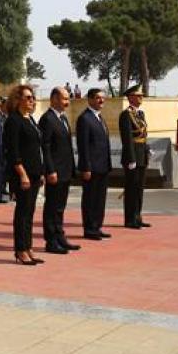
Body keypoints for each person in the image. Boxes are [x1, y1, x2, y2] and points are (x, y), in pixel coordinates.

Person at [4, 84, 44, 266]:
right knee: (22, 213)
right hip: (23, 174)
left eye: (32, 97)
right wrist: (22, 174)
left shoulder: (30, 120)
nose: (32, 100)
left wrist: (40, 172)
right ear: (17, 100)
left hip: (35, 173)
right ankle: (20, 250)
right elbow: (13, 151)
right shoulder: (14, 120)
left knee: (30, 212)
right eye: (28, 97)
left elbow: (35, 149)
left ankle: (28, 247)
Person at [39, 86, 78, 255]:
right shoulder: (47, 119)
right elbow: (45, 147)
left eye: (68, 99)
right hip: (55, 171)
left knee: (60, 207)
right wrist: (50, 170)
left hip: (65, 170)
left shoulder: (62, 118)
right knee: (52, 206)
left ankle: (60, 235)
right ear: (54, 99)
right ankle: (51, 240)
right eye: (64, 99)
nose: (67, 102)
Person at [75, 88, 111, 240]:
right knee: (90, 198)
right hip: (92, 167)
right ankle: (89, 229)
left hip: (103, 166)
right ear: (89, 99)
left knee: (100, 199)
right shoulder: (85, 118)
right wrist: (86, 167)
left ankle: (97, 226)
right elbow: (83, 146)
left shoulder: (99, 117)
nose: (101, 101)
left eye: (103, 98)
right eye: (97, 98)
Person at [118, 85, 149, 229]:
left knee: (139, 188)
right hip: (133, 156)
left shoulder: (140, 113)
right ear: (130, 97)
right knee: (131, 189)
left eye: (141, 95)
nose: (141, 97)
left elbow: (144, 135)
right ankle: (130, 219)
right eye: (138, 95)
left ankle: (138, 216)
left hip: (141, 154)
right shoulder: (126, 115)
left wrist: (147, 149)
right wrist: (131, 159)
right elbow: (127, 138)